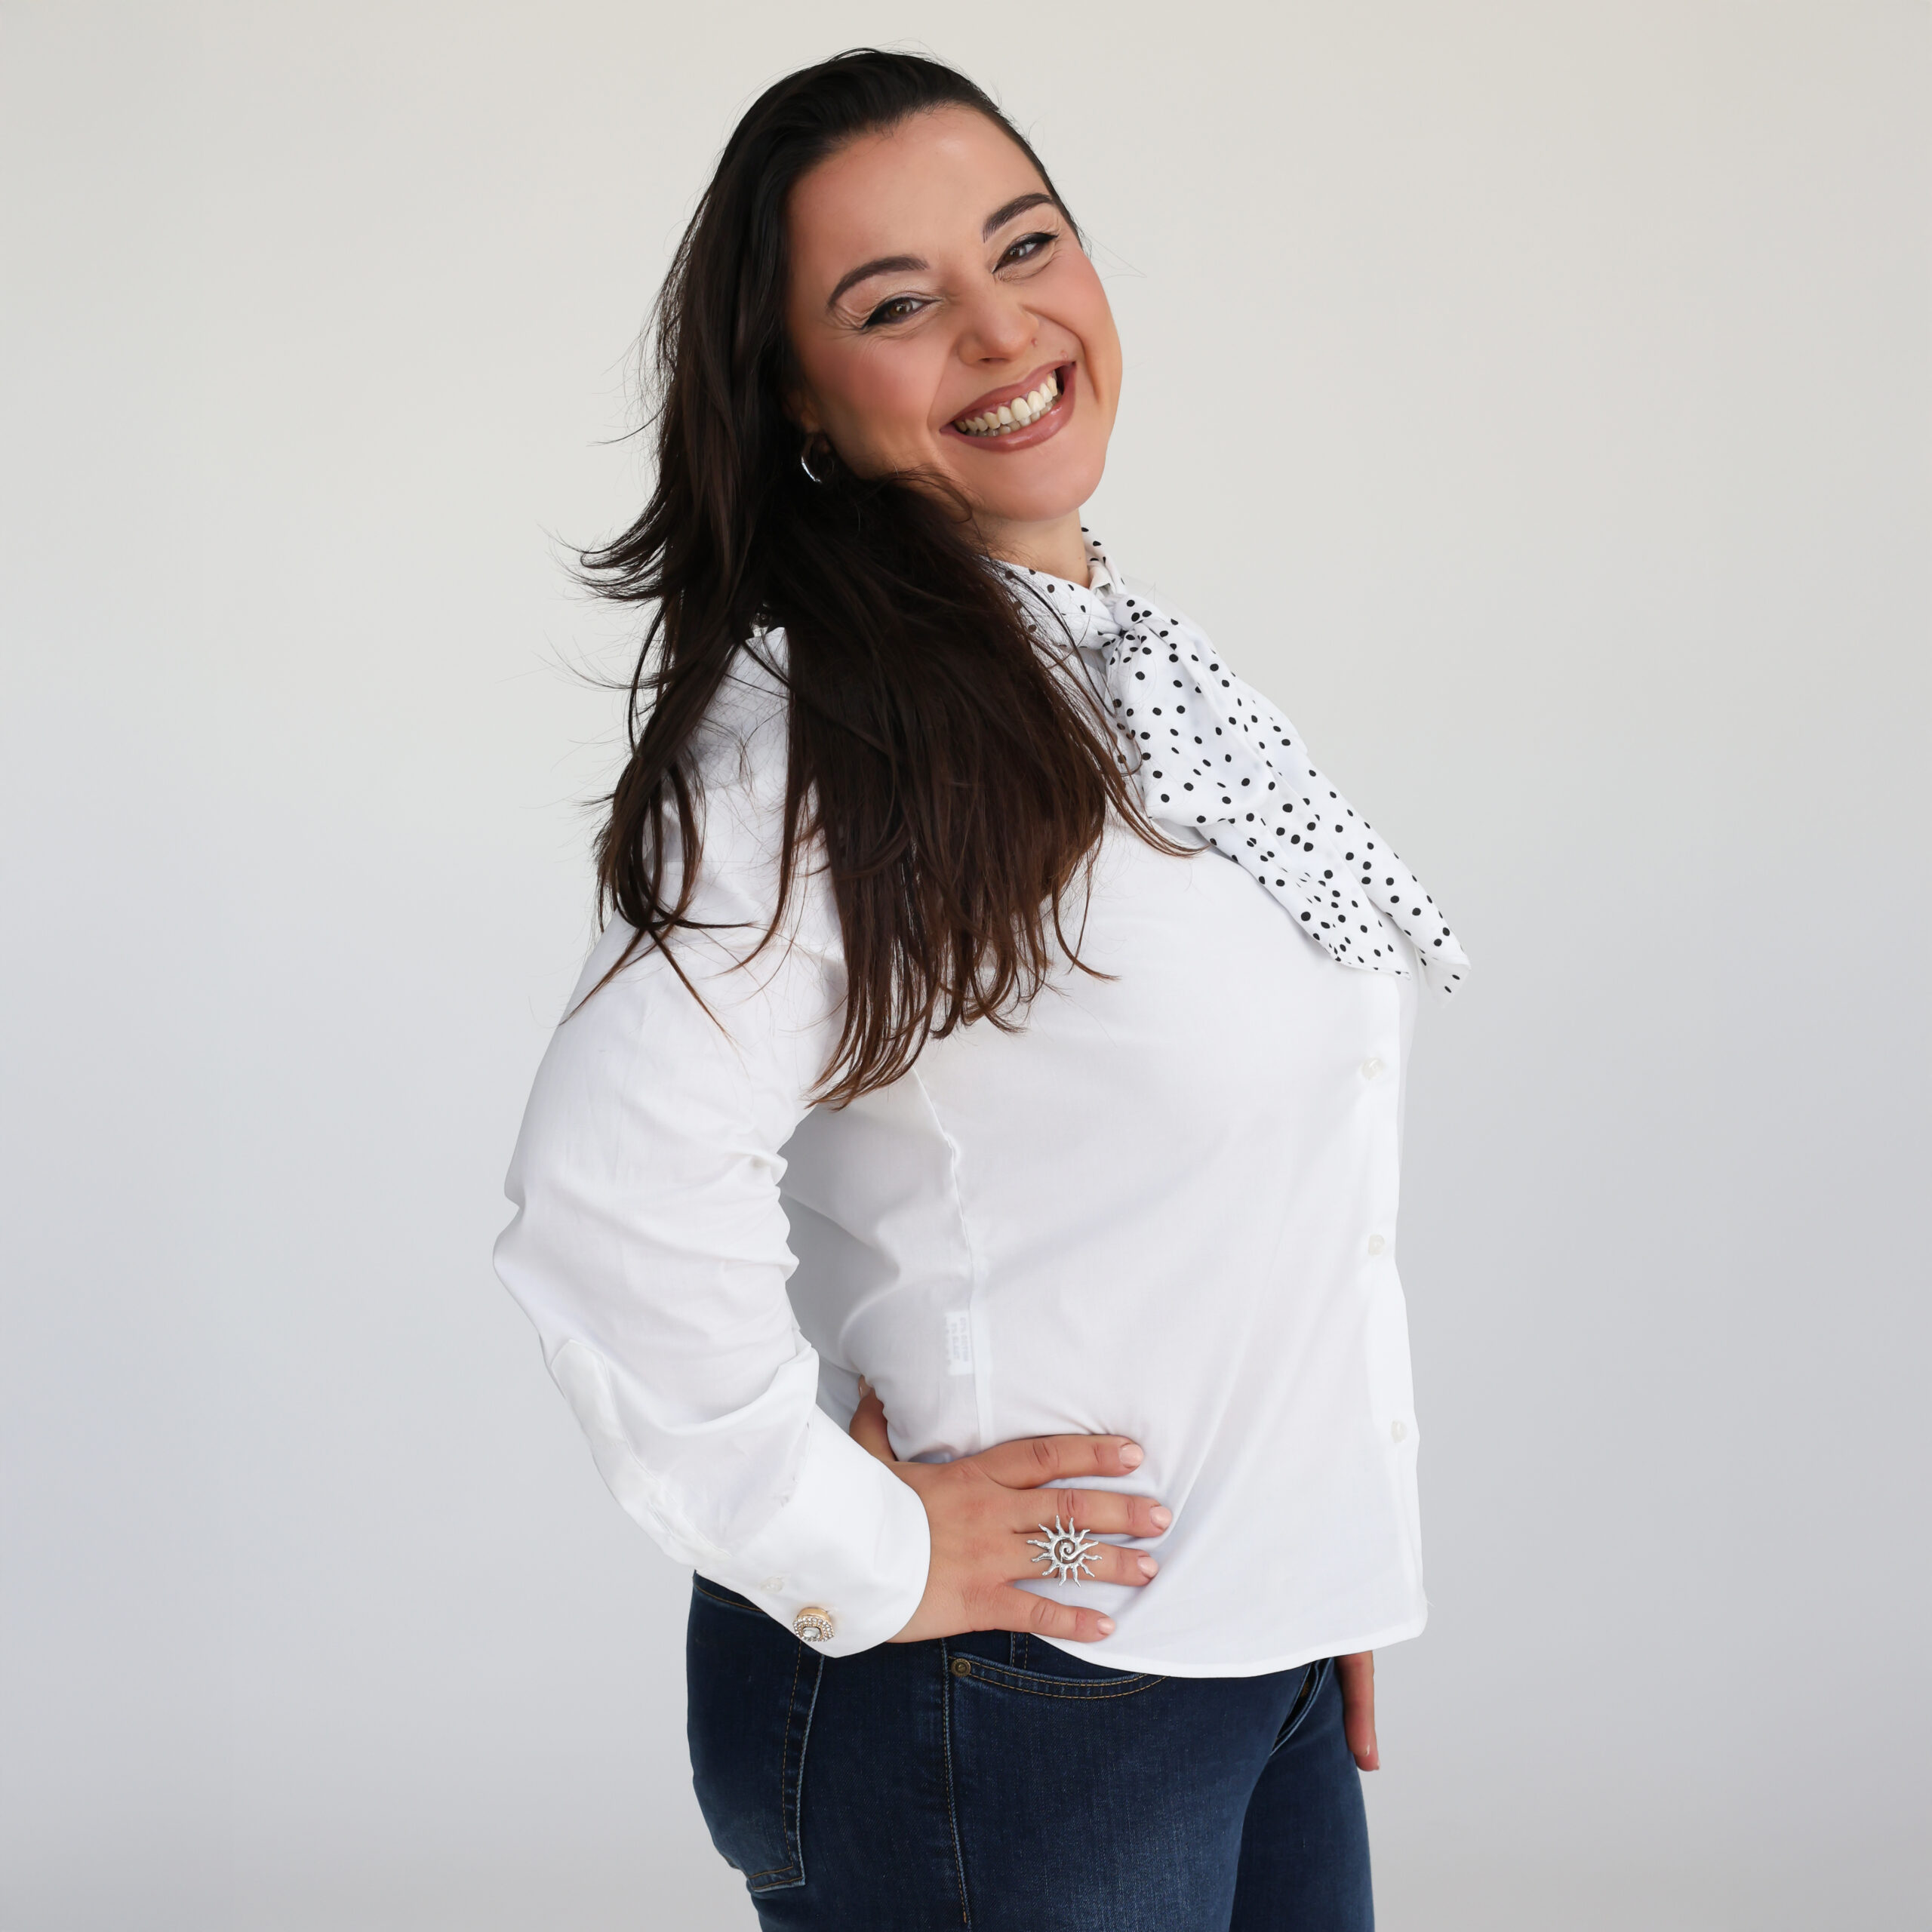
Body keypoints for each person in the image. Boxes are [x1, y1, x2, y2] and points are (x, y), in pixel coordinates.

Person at [494, 48, 1467, 1932]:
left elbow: (1249, 1194)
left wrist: (1308, 1549)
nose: (1000, 328)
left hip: (1237, 1650)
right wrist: (855, 1543)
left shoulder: (1132, 673)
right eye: (893, 303)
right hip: (1000, 1701)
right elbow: (607, 1199)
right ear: (796, 394)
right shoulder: (819, 738)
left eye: (1023, 245)